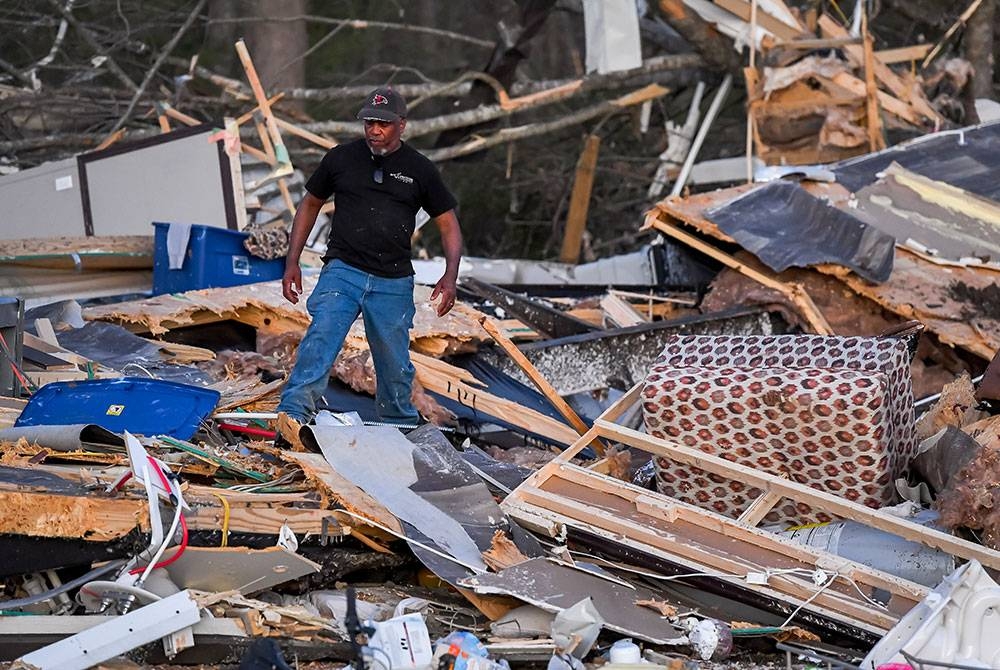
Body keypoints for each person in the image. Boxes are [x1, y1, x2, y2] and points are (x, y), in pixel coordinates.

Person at [276, 86, 462, 429]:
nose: (375, 130)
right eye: (369, 122)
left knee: (393, 362)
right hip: (343, 270)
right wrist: (292, 263)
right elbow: (310, 204)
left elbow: (448, 224)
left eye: (384, 124)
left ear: (401, 125)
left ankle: (399, 426)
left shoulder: (419, 169)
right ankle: (293, 416)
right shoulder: (340, 159)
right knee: (321, 337)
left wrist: (450, 276)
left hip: (392, 280)